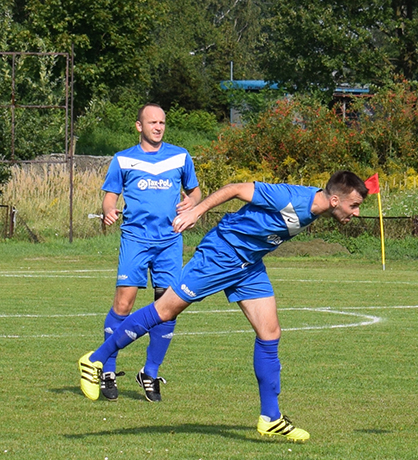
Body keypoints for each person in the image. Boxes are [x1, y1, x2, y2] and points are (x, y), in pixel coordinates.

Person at [79, 171, 368, 442]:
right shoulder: (292, 198)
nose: (356, 213)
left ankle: (270, 417)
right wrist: (195, 211)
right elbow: (236, 189)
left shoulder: (317, 207)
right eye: (354, 205)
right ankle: (95, 359)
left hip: (249, 265)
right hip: (222, 254)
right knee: (165, 310)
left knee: (270, 332)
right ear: (334, 200)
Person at [99, 103, 201, 402]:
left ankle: (150, 372)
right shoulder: (123, 160)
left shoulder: (180, 156)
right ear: (139, 126)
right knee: (124, 302)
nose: (158, 127)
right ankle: (107, 368)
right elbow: (109, 196)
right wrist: (108, 212)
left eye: (162, 122)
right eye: (152, 122)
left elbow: (195, 192)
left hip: (170, 240)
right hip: (135, 239)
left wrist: (192, 202)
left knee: (168, 306)